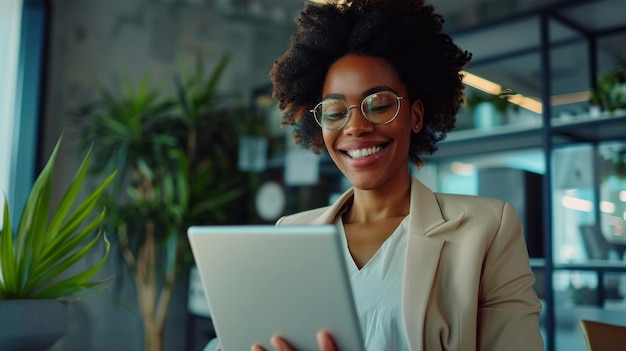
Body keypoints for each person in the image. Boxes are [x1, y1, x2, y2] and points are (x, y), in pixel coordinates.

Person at [249, 0, 544, 350]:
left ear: (415, 116)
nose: (355, 127)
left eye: (379, 104)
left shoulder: (487, 229)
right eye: (334, 111)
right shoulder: (291, 234)